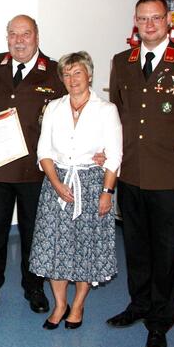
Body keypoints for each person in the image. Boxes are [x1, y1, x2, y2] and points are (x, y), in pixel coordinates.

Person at [107, 0, 174, 347]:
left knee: (166, 251)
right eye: (142, 19)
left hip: (169, 175)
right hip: (131, 172)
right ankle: (139, 305)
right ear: (134, 23)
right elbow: (118, 117)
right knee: (135, 247)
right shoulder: (121, 62)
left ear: (167, 22)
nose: (149, 25)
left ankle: (160, 321)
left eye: (155, 18)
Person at [0, 15, 65, 313]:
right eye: (13, 34)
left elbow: (71, 116)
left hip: (36, 171)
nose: (19, 40)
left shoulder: (56, 71)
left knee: (34, 233)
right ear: (6, 37)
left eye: (25, 34)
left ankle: (33, 286)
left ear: (37, 36)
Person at [29, 51, 122, 330]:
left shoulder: (106, 110)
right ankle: (59, 304)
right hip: (55, 183)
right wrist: (57, 185)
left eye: (77, 72)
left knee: (85, 250)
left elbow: (115, 155)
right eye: (66, 74)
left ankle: (78, 304)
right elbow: (43, 150)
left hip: (92, 185)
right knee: (55, 249)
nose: (72, 79)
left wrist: (107, 191)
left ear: (89, 75)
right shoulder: (54, 107)